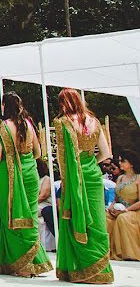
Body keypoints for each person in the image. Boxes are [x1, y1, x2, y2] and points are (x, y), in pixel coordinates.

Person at [54, 88, 114, 284]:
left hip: (74, 178)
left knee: (76, 219)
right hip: (93, 176)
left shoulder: (62, 122)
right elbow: (105, 153)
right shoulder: (95, 122)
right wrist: (91, 162)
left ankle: (81, 269)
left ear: (63, 103)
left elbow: (63, 160)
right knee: (96, 221)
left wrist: (68, 179)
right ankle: (100, 270)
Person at [0, 92, 52, 277]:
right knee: (30, 215)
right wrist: (24, 161)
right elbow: (38, 152)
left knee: (11, 215)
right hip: (30, 172)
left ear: (4, 106)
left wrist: (0, 162)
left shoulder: (0, 127)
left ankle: (17, 264)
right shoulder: (28, 124)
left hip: (8, 174)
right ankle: (34, 261)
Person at [106, 149, 140, 261]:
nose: (119, 163)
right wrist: (111, 206)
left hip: (134, 211)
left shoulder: (138, 179)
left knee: (123, 218)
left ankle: (128, 253)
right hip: (119, 208)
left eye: (122, 161)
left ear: (131, 163)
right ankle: (106, 251)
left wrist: (126, 210)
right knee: (105, 217)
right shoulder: (120, 178)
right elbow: (116, 198)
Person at [37, 159, 55, 240]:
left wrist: (30, 204)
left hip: (44, 204)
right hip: (36, 203)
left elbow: (44, 196)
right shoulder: (35, 180)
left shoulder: (46, 179)